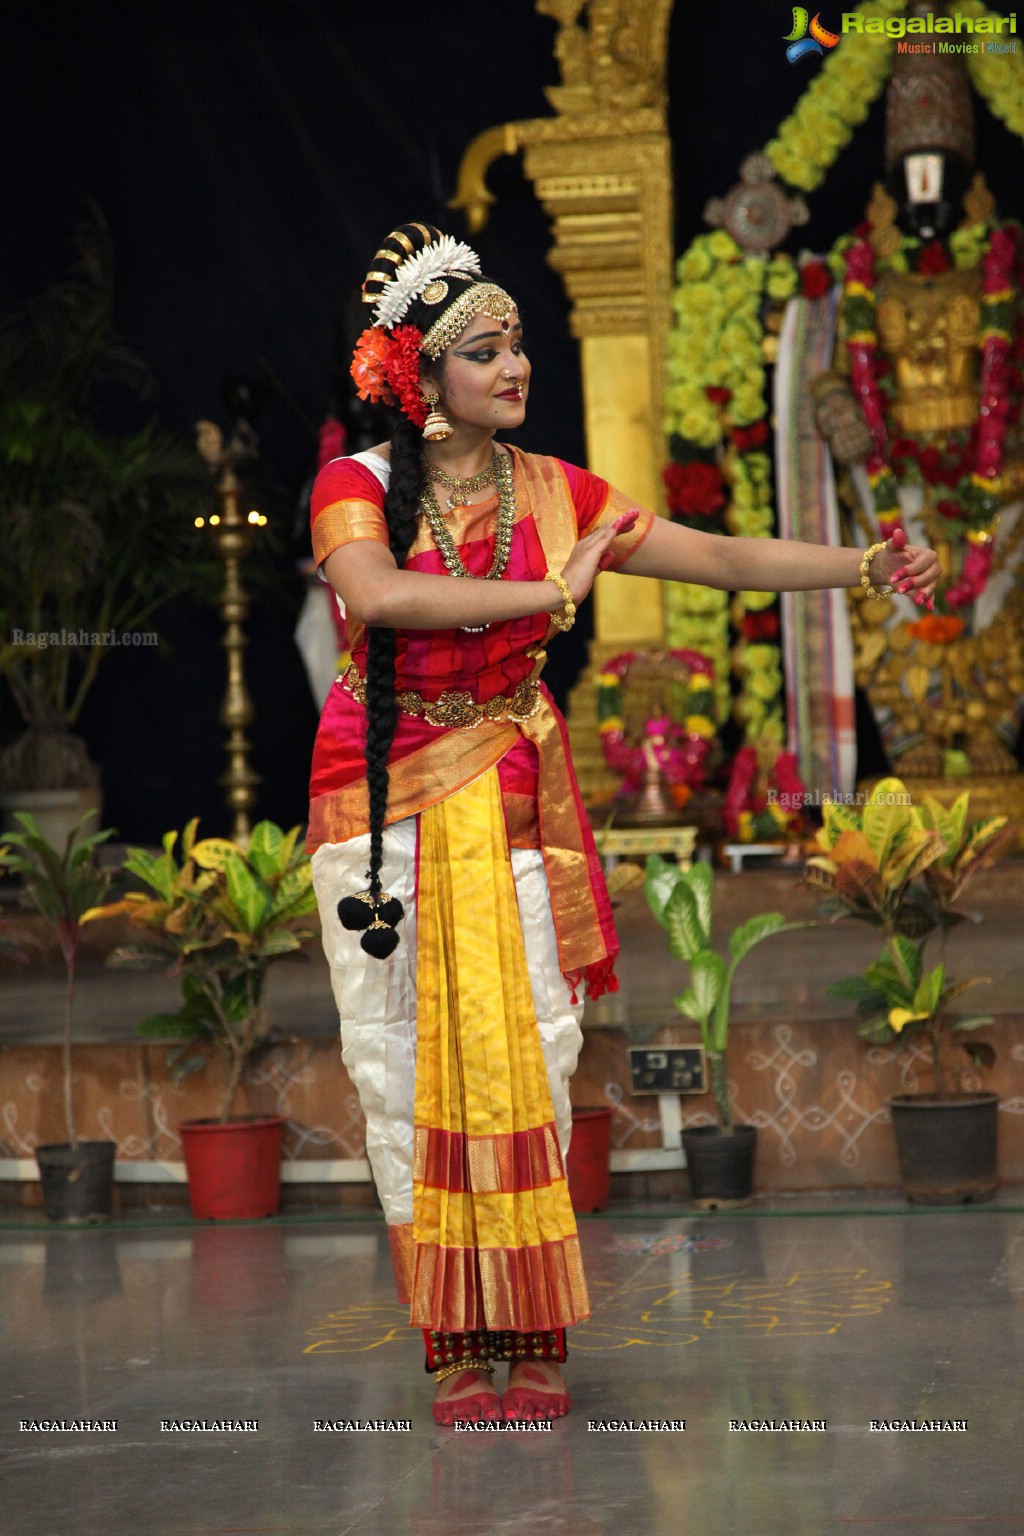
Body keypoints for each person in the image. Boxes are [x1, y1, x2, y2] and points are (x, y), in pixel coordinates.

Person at [307, 222, 939, 1427]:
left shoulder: (556, 490)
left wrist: (860, 565)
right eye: (483, 349)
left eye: (518, 344)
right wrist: (555, 592)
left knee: (529, 1055)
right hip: (380, 796)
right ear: (419, 376)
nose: (515, 365)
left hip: (507, 785)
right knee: (399, 1063)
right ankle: (451, 1340)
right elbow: (378, 597)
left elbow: (716, 555)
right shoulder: (363, 485)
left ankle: (530, 1327)